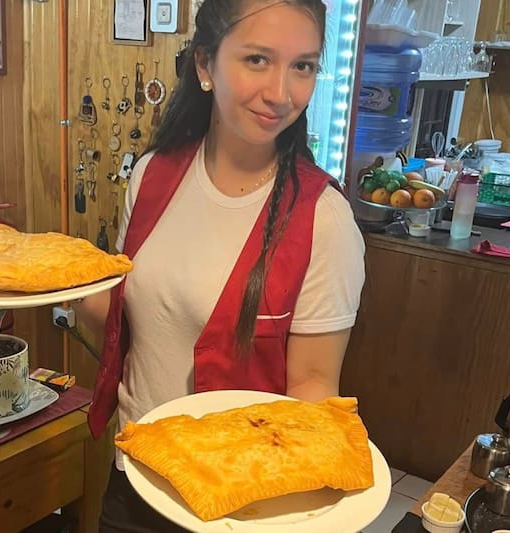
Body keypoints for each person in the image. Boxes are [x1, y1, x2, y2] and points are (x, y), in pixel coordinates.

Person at [76, 1, 365, 531]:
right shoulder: (151, 175)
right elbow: (127, 324)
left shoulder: (323, 219)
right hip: (136, 476)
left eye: (303, 66)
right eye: (257, 59)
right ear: (205, 65)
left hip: (236, 503)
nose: (282, 93)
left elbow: (314, 385)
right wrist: (70, 291)